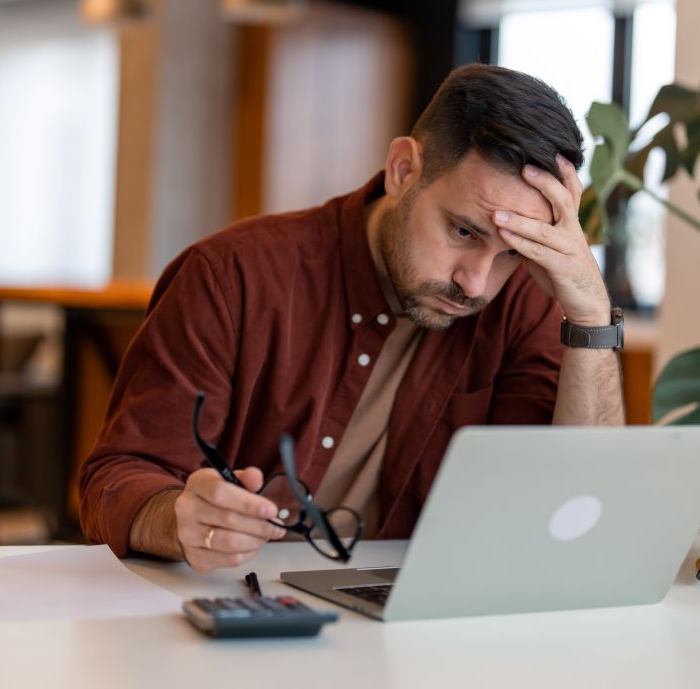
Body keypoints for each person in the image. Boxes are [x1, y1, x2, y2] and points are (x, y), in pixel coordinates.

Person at [79, 64, 625, 572]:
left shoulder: (521, 302)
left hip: (420, 632)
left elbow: (579, 515)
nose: (476, 283)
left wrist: (591, 314)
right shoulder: (231, 276)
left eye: (512, 252)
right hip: (239, 615)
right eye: (463, 232)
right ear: (403, 170)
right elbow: (116, 478)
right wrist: (180, 520)